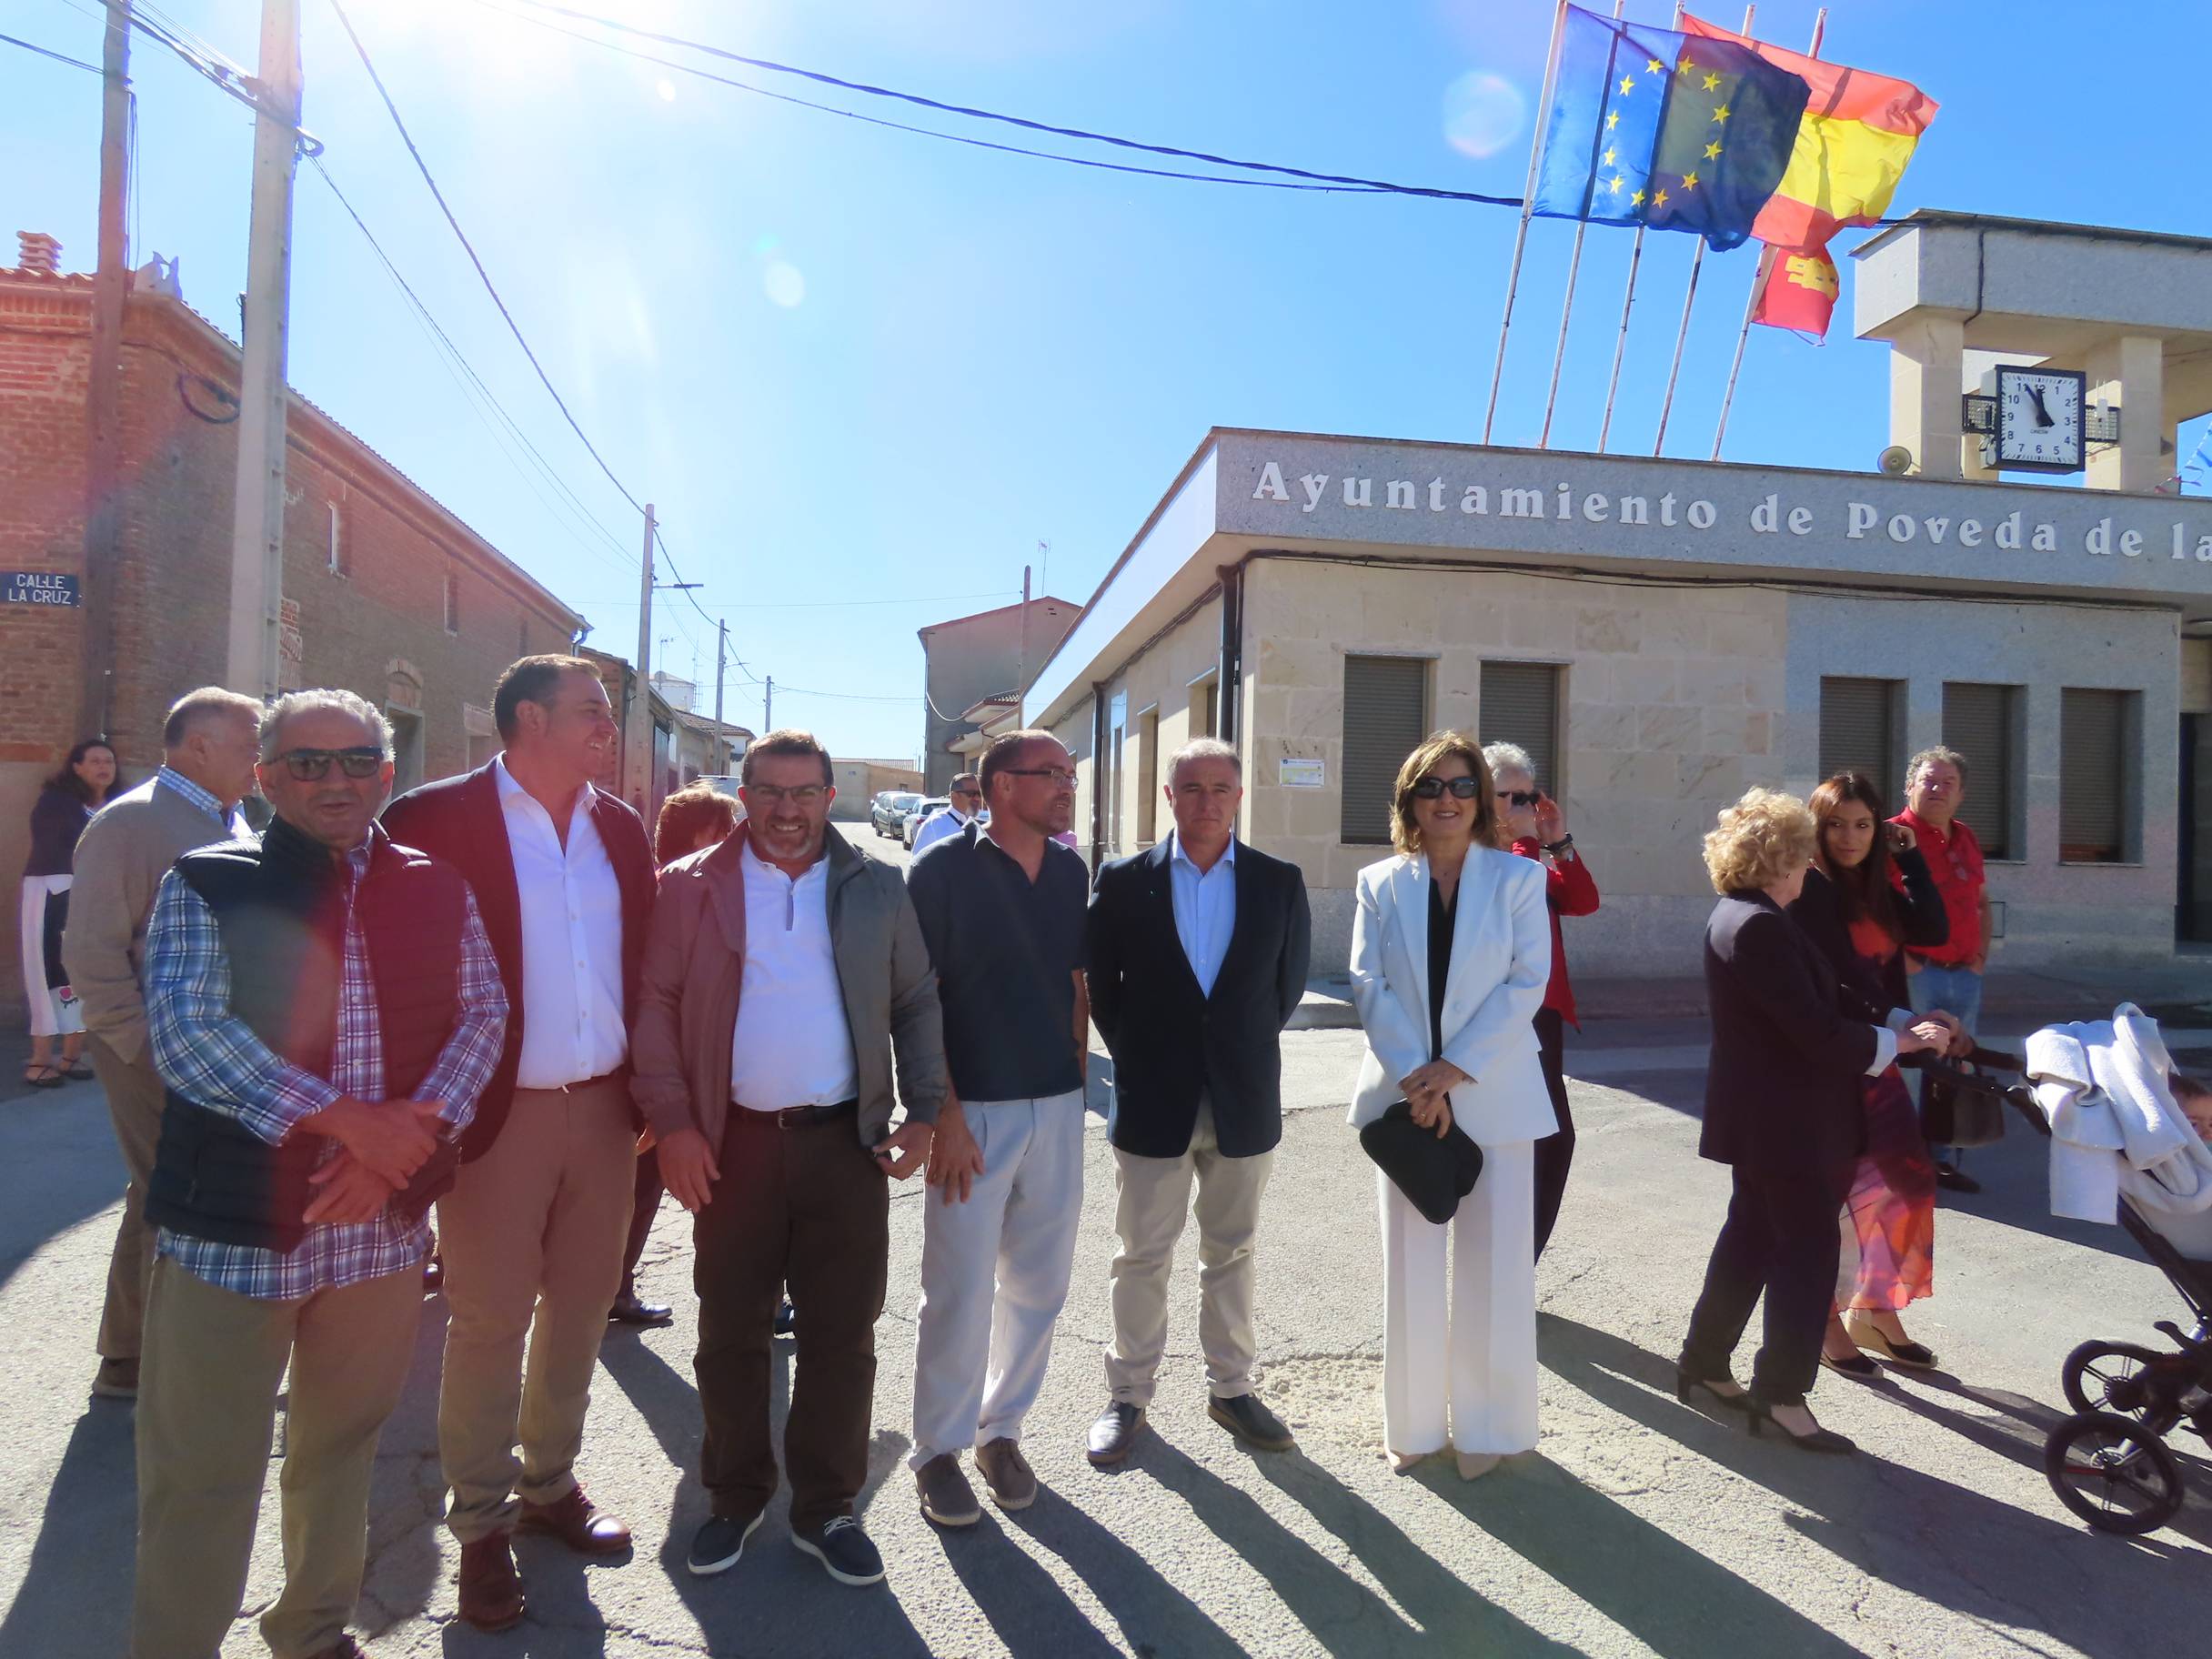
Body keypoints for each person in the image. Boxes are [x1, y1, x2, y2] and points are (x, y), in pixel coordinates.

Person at [129, 689, 506, 1659]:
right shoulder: (207, 881)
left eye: (355, 760)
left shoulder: (434, 881)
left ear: (388, 772)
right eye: (307, 762)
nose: (333, 780)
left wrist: (398, 1153)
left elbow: (481, 1016)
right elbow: (187, 1033)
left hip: (378, 1231)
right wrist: (351, 1127)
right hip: (234, 1230)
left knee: (341, 1450)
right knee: (203, 1472)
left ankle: (311, 1629)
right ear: (264, 778)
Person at [631, 730, 948, 1587]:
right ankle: (734, 1495)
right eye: (769, 791)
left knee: (842, 1334)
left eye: (804, 792)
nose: (786, 809)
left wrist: (925, 1111)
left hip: (844, 1146)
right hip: (727, 1145)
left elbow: (917, 1000)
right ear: (744, 794)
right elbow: (655, 1004)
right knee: (730, 1331)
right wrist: (675, 1126)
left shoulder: (877, 886)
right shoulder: (689, 887)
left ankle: (828, 1506)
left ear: (829, 794)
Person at [382, 656, 658, 1632]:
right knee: (490, 1319)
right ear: (529, 720)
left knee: (581, 1308)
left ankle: (550, 1484)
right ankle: (482, 1526)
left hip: (606, 1110)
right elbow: (385, 967)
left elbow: (645, 961)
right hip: (494, 1114)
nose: (607, 728)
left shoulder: (619, 826)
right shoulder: (431, 820)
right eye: (592, 712)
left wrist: (654, 1092)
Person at [1677, 789, 1949, 1455]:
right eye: (1804, 854)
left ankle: (1704, 1364)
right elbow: (1816, 1032)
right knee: (1805, 1253)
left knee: (1751, 1237)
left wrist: (1890, 1019)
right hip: (1792, 1123)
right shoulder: (1761, 925)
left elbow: (1832, 989)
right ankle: (1781, 1396)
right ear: (1782, 859)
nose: (1813, 867)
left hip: (1771, 1120)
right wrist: (1898, 1046)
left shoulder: (1753, 914)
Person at [1083, 738, 1312, 1466]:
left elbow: (1285, 988)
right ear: (1169, 796)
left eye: (1220, 787)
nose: (1206, 800)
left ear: (1240, 796)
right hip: (1154, 1100)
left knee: (1232, 1250)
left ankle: (1232, 1388)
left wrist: (1231, 1051)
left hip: (1243, 1100)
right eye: (1192, 787)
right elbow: (1106, 994)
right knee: (1142, 1255)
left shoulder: (1279, 882)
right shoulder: (1122, 881)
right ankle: (1129, 1398)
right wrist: (1145, 1056)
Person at [1349, 733, 1553, 1481]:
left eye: (1463, 787)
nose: (1447, 799)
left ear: (1482, 800)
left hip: (1492, 1089)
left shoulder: (1518, 880)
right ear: (1410, 799)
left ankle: (1489, 1430)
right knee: (1409, 1263)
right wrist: (1417, 1078)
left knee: (1496, 1266)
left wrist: (1451, 1070)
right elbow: (1368, 984)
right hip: (1404, 1097)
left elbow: (1525, 983)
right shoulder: (1379, 882)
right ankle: (1412, 1425)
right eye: (1431, 787)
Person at [905, 729, 1091, 1525]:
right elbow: (919, 997)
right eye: (1050, 775)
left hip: (1055, 1106)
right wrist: (941, 1112)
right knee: (958, 1289)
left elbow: (1075, 980)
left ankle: (1000, 1430)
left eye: (1069, 774)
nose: (1065, 787)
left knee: (1039, 1288)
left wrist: (1077, 1083)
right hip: (970, 1109)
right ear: (999, 787)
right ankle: (938, 1450)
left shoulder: (1072, 869)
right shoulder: (941, 870)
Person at [63, 688, 260, 1400]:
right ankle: (147, 1366)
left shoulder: (226, 817)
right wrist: (140, 1045)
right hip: (153, 1049)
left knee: (161, 1192)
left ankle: (132, 1355)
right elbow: (90, 950)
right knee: (168, 1192)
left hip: (206, 1048)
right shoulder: (133, 821)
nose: (259, 761)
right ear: (199, 746)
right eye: (249, 746)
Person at [1793, 775, 1967, 1378]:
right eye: (1837, 824)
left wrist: (1912, 855)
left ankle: (1876, 1310)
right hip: (1840, 1057)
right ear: (1818, 827)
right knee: (1837, 1197)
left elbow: (1936, 931)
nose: (1850, 836)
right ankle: (1823, 1319)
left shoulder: (1877, 886)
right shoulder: (1810, 890)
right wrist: (1902, 1023)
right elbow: (1838, 980)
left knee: (1909, 1181)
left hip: (1883, 1052)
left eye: (1863, 824)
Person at [609, 784, 741, 1328]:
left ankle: (612, 1288)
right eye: (730, 824)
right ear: (706, 833)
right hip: (665, 1074)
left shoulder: (652, 886)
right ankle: (612, 1290)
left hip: (661, 1069)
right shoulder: (678, 890)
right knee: (639, 1193)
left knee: (637, 1194)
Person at [1483, 741, 1597, 1260]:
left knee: (1551, 1140)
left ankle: (1516, 1263)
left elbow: (1582, 901)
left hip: (1543, 1015)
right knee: (1527, 1142)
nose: (1520, 807)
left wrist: (1559, 842)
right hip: (1504, 1013)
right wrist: (1531, 844)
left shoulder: (1529, 851)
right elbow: (1518, 894)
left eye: (1528, 796)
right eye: (1506, 795)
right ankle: (1504, 1264)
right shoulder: (1483, 855)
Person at [1890, 747, 1992, 1194]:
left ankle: (1943, 1162)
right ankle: (1905, 1164)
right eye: (1929, 780)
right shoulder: (1892, 837)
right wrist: (1903, 959)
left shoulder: (1966, 837)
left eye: (1947, 783)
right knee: (1912, 1069)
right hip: (1918, 973)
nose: (1937, 789)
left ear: (1961, 794)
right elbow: (1875, 906)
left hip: (1964, 974)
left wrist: (1980, 958)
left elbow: (1982, 903)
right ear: (1909, 786)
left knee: (1956, 1068)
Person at [20, 737, 116, 1087]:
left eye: (108, 761)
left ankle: (71, 1055)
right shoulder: (57, 802)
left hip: (93, 899)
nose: (104, 767)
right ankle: (39, 1060)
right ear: (77, 767)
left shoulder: (114, 806)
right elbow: (66, 847)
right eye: (95, 761)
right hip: (54, 891)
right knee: (47, 974)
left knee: (80, 976)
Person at [910, 772, 983, 856]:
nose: (977, 798)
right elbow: (918, 864)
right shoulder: (933, 826)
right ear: (954, 796)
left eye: (979, 794)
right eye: (971, 793)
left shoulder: (980, 826)